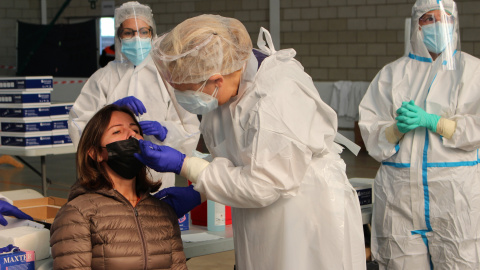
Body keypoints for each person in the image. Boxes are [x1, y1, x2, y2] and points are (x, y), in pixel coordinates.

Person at [135, 14, 366, 270]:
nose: (184, 99)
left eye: (186, 90)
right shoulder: (225, 92)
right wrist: (199, 190)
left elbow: (262, 184)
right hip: (266, 214)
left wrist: (186, 167)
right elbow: (242, 158)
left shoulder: (275, 96)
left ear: (216, 79)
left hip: (304, 216)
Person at [358, 0, 480, 269]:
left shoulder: (471, 71)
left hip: (454, 201)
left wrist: (438, 123)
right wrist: (394, 130)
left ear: (455, 24)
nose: (438, 25)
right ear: (416, 26)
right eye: (429, 19)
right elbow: (371, 133)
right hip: (398, 202)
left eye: (445, 18)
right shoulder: (391, 75)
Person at [68, 1, 200, 189]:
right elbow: (78, 123)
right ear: (119, 37)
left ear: (152, 35)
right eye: (129, 33)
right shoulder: (103, 78)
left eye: (143, 32)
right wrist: (109, 112)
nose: (137, 38)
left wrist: (166, 131)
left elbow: (191, 128)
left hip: (158, 177)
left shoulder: (167, 77)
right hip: (111, 177)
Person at [50, 104, 187, 270]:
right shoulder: (78, 213)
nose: (131, 135)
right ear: (96, 153)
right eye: (117, 131)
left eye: (136, 131)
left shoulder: (162, 212)